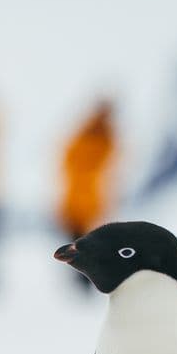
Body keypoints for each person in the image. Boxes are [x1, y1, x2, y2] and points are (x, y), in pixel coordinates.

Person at [60, 101, 119, 272]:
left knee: (88, 246)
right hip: (77, 202)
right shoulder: (85, 133)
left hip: (91, 203)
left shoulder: (105, 138)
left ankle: (88, 280)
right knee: (77, 247)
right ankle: (81, 280)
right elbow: (69, 160)